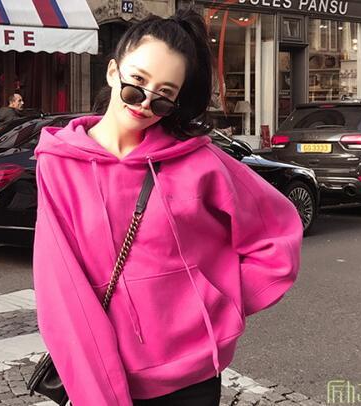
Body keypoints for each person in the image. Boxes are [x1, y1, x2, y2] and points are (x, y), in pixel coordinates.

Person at [33, 7, 303, 406]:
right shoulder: (59, 164)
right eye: (137, 83)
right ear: (113, 72)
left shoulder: (199, 161)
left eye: (163, 96)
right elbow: (61, 294)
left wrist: (220, 303)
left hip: (193, 380)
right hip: (108, 374)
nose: (144, 103)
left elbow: (277, 235)